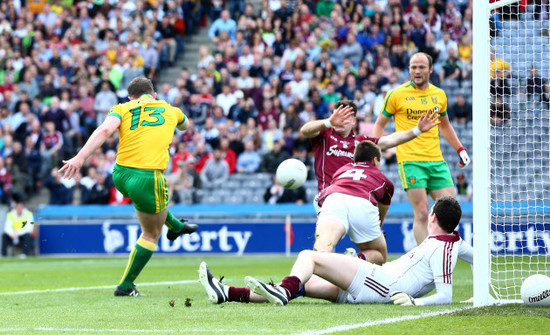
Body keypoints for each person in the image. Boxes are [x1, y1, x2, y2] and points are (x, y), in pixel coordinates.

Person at [58, 77, 198, 297]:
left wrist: (79, 158)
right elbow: (185, 125)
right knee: (151, 233)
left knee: (149, 205)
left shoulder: (123, 107)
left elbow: (104, 131)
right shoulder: (171, 109)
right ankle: (125, 286)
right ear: (153, 94)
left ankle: (177, 226)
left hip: (120, 174)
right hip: (148, 176)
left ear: (131, 97)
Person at [200, 196, 473, 306]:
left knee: (308, 257)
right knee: (302, 284)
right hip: (378, 285)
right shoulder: (453, 242)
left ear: (433, 217)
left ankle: (282, 292)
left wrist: (416, 302)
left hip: (380, 283)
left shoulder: (441, 247)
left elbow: (446, 295)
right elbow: (479, 258)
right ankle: (229, 293)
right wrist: (482, 294)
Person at [372, 52, 471, 245]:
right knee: (423, 212)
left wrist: (460, 149)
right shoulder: (396, 95)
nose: (417, 71)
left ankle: (439, 250)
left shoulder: (439, 95)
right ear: (409, 70)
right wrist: (378, 151)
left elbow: (445, 125)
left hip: (436, 160)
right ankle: (426, 260)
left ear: (430, 69)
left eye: (421, 67)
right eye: (413, 67)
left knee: (451, 211)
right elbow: (379, 125)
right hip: (410, 160)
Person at [300, 100, 439, 214]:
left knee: (375, 245)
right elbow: (305, 130)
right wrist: (329, 122)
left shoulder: (360, 141)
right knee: (327, 240)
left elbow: (390, 140)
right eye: (337, 117)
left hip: (354, 199)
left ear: (353, 121)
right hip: (329, 198)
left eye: (344, 118)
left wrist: (417, 130)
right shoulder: (324, 135)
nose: (339, 121)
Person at [313, 140, 393, 264]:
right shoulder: (385, 181)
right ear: (375, 160)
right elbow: (380, 214)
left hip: (333, 199)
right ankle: (354, 260)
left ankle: (314, 277)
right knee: (379, 255)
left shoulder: (341, 170)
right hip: (362, 203)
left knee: (324, 244)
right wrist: (379, 230)